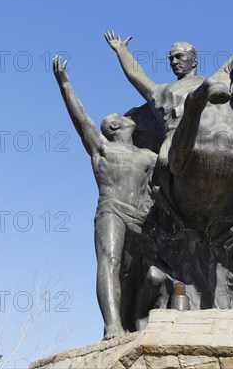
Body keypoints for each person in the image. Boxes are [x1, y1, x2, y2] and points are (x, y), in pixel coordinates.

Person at [53, 56, 157, 339]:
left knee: (145, 273)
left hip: (142, 218)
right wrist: (65, 84)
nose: (129, 117)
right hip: (111, 211)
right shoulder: (103, 148)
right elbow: (81, 119)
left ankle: (138, 318)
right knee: (110, 262)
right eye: (122, 117)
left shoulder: (148, 157)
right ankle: (112, 325)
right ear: (113, 127)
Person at [104, 31, 205, 166]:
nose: (174, 62)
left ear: (194, 60)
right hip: (174, 141)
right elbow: (136, 75)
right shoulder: (163, 91)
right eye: (171, 59)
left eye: (179, 57)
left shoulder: (208, 84)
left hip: (208, 137)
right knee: (163, 163)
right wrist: (122, 50)